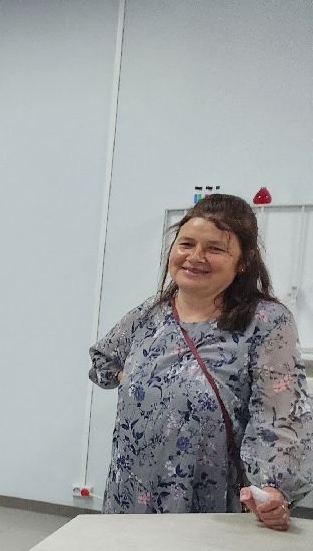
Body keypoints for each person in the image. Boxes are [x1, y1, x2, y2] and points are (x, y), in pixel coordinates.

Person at [91, 193, 311, 528]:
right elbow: (103, 362)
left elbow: (281, 416)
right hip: (130, 492)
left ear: (244, 260)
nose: (195, 257)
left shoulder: (266, 322)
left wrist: (273, 489)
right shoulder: (152, 313)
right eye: (186, 244)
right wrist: (136, 379)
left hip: (205, 501)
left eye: (215, 248)